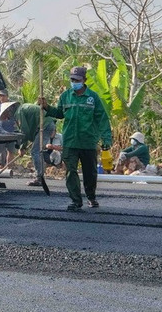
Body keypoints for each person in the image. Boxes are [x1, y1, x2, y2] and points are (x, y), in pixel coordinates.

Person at [38, 66, 112, 211]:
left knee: (90, 172)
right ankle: (76, 201)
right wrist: (46, 106)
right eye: (72, 79)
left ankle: (91, 196)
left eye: (77, 80)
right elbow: (59, 113)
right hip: (71, 142)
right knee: (71, 171)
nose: (74, 82)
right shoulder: (65, 96)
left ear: (84, 80)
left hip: (88, 142)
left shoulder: (93, 97)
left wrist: (106, 139)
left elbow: (102, 119)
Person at [15, 103, 56, 186]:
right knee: (38, 151)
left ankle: (39, 178)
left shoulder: (18, 112)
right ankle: (40, 175)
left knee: (35, 152)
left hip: (45, 126)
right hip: (48, 124)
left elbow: (24, 131)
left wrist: (22, 148)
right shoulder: (24, 108)